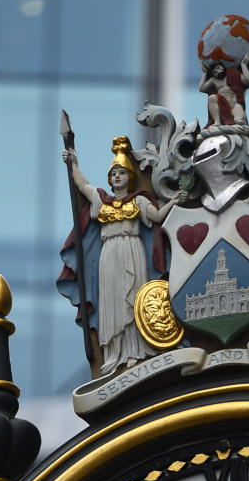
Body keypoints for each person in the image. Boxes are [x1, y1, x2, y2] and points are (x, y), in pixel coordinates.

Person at [58, 136, 182, 374]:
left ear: (129, 177)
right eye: (114, 173)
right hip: (109, 254)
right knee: (111, 301)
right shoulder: (101, 201)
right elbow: (82, 185)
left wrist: (175, 200)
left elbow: (156, 217)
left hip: (131, 250)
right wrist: (73, 162)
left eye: (122, 173)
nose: (117, 177)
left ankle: (136, 351)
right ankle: (114, 354)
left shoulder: (140, 200)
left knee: (132, 298)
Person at [199, 57, 249, 127]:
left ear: (222, 66)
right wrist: (205, 73)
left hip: (235, 105)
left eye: (218, 68)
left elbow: (248, 81)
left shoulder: (233, 73)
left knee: (238, 121)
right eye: (214, 72)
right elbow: (201, 88)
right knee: (212, 97)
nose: (218, 71)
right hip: (222, 106)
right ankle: (217, 121)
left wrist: (243, 65)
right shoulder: (213, 80)